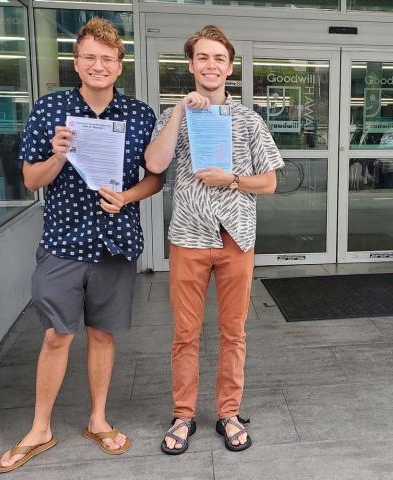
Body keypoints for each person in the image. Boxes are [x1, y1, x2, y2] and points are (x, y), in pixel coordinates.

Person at [0, 17, 162, 473]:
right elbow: (31, 180)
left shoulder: (140, 115)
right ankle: (40, 427)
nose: (98, 65)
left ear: (119, 66)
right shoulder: (50, 110)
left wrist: (126, 196)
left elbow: (155, 178)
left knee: (102, 334)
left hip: (115, 240)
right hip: (64, 241)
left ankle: (98, 419)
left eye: (107, 59)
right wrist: (58, 155)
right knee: (56, 335)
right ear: (76, 62)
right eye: (90, 57)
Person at [145, 25, 284, 455]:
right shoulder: (174, 115)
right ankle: (183, 414)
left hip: (236, 238)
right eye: (203, 58)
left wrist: (233, 180)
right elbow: (155, 162)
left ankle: (228, 412)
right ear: (191, 65)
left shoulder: (249, 120)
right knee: (185, 333)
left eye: (219, 59)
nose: (211, 65)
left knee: (234, 331)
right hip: (188, 236)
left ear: (229, 66)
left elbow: (271, 182)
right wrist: (179, 113)